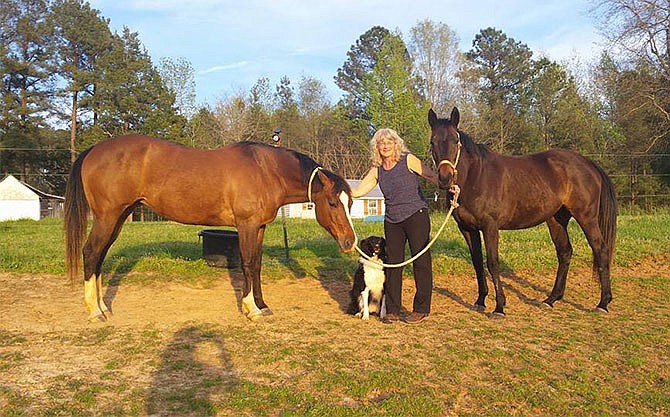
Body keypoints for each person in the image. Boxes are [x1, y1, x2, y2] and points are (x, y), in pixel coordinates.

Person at [351, 128, 458, 324]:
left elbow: (430, 175)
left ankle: (421, 308)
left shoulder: (408, 160)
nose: (385, 146)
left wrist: (449, 185)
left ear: (396, 144)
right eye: (381, 143)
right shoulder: (377, 170)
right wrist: (341, 194)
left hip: (416, 216)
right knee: (392, 264)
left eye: (389, 142)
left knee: (421, 262)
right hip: (392, 221)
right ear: (377, 147)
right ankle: (392, 309)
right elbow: (358, 191)